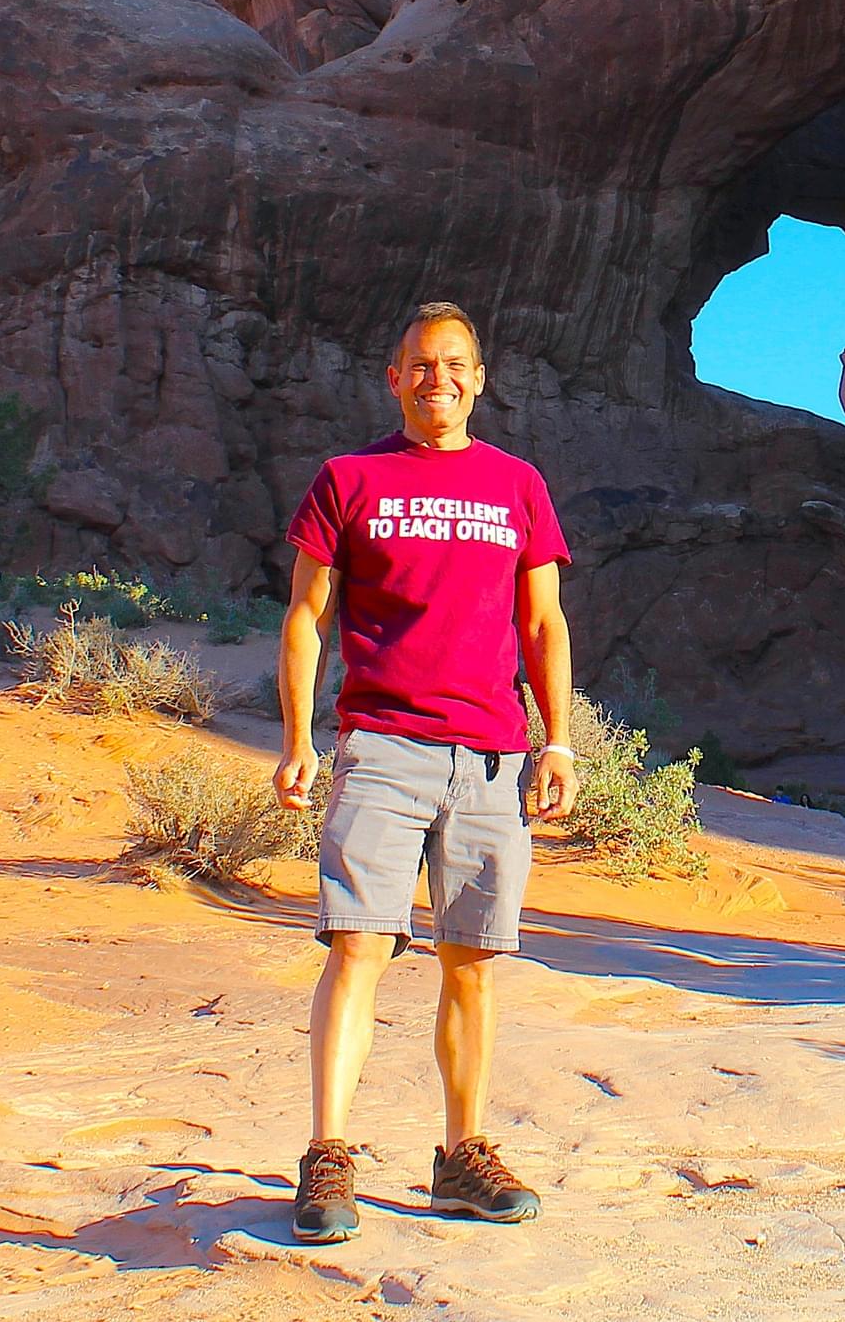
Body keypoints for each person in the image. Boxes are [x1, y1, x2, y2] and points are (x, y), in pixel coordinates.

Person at [272, 302, 579, 1247]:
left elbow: (543, 622)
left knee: (473, 962)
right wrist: (298, 737)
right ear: (393, 377)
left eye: (454, 364)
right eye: (419, 363)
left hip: (491, 756)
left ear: (478, 380)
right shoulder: (349, 478)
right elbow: (305, 616)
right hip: (382, 746)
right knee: (358, 946)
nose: (436, 377)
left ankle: (462, 1157)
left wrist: (558, 740)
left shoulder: (518, 484)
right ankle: (328, 1155)